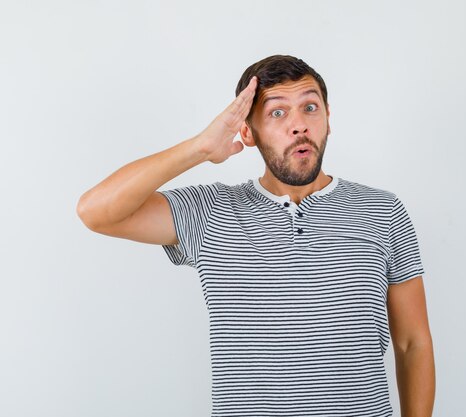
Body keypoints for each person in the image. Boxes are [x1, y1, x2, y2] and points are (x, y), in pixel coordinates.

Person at [77, 54, 435, 417]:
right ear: (247, 132)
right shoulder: (210, 210)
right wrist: (200, 147)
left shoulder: (382, 211)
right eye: (277, 113)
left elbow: (412, 343)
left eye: (310, 107)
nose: (299, 125)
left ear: (328, 117)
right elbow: (96, 212)